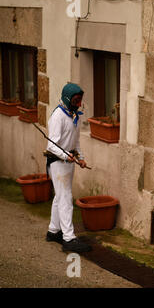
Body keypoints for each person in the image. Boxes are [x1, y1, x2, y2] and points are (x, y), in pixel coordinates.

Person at [45, 83, 91, 253]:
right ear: (68, 99)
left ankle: (53, 231)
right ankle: (69, 239)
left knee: (59, 197)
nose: (79, 103)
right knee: (65, 199)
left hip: (69, 162)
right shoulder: (58, 116)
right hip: (58, 163)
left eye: (80, 100)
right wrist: (66, 155)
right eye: (76, 100)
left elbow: (75, 140)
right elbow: (51, 145)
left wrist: (81, 157)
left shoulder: (74, 115)